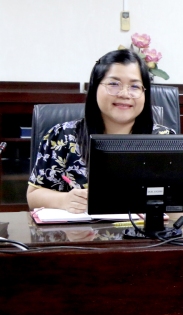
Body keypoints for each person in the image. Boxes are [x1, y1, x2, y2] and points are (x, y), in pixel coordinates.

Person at [27, 49, 175, 212]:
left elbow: (182, 204)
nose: (124, 94)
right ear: (95, 87)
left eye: (134, 86)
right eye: (114, 84)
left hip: (146, 228)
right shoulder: (63, 136)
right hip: (80, 227)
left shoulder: (165, 140)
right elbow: (33, 196)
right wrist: (65, 200)